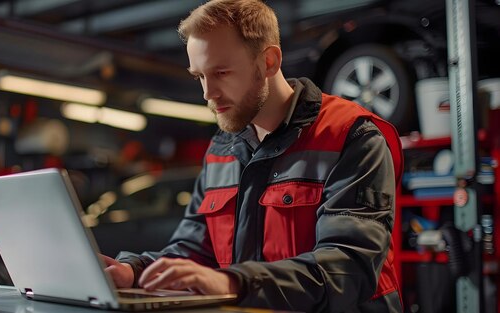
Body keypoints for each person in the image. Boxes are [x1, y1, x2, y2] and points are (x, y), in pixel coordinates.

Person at [102, 0, 403, 311]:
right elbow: (194, 250)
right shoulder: (222, 149)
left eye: (221, 72)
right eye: (200, 76)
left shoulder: (350, 136)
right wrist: (134, 272)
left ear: (269, 61)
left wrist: (233, 283)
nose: (208, 93)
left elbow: (347, 269)